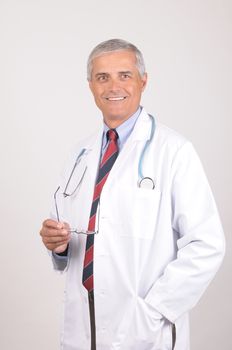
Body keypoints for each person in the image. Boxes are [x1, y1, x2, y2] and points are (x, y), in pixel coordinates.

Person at [40, 39, 225, 350]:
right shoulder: (79, 155)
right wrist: (56, 245)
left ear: (143, 80)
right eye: (102, 77)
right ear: (90, 86)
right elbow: (68, 235)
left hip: (146, 330)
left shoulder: (174, 151)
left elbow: (206, 245)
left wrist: (153, 311)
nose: (114, 86)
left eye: (124, 75)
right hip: (84, 325)